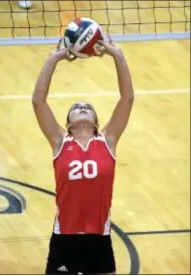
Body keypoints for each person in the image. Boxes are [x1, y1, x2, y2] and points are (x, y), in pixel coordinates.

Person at [32, 38, 134, 275]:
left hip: (99, 239)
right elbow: (38, 101)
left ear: (96, 122)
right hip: (64, 239)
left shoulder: (107, 140)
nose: (83, 107)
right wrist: (53, 58)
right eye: (77, 107)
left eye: (88, 107)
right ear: (68, 123)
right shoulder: (60, 141)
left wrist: (117, 55)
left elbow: (127, 99)